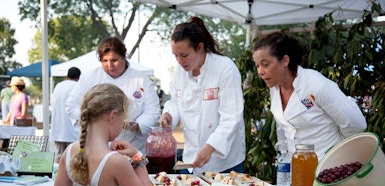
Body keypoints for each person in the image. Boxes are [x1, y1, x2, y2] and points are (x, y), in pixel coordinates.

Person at [252, 32, 367, 159]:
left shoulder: (316, 84)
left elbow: (355, 124)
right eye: (257, 65)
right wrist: (283, 157)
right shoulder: (275, 88)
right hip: (295, 166)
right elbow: (283, 127)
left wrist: (335, 152)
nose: (260, 72)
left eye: (265, 64)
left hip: (329, 166)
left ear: (285, 61)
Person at [159, 16, 246, 175]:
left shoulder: (225, 68)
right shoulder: (180, 71)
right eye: (175, 55)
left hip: (224, 162)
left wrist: (210, 146)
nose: (179, 61)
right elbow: (176, 101)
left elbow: (232, 117)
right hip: (191, 158)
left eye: (184, 55)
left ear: (200, 47)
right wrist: (169, 114)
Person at [65, 37, 160, 154]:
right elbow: (71, 105)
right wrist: (93, 120)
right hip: (96, 149)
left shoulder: (141, 80)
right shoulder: (89, 78)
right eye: (104, 61)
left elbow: (153, 111)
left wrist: (136, 125)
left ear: (124, 57)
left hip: (133, 147)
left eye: (114, 60)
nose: (110, 65)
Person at [51, 67, 81, 162]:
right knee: (73, 159)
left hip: (58, 129)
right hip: (72, 130)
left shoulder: (58, 86)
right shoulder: (77, 86)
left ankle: (57, 176)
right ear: (79, 77)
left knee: (60, 157)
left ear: (67, 76)